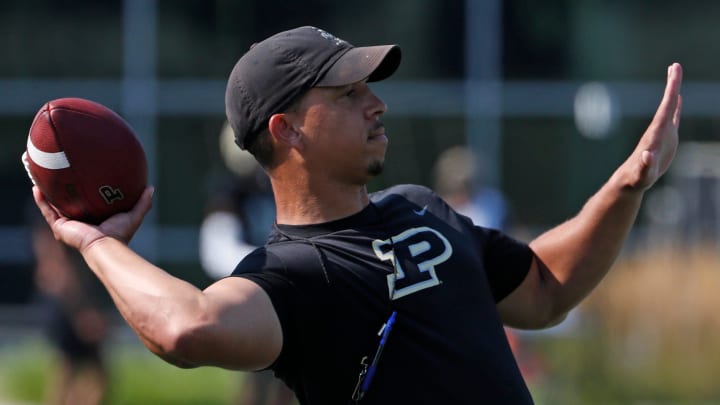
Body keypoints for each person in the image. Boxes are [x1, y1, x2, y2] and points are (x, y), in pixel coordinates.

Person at [28, 26, 683, 404]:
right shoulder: (289, 276)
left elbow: (544, 288)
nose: (377, 104)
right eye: (348, 93)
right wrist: (92, 242)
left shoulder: (423, 209)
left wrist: (628, 183)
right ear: (286, 130)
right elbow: (185, 327)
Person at [199, 121, 295, 405]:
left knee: (287, 380)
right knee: (257, 377)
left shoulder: (280, 187)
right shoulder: (230, 193)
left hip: (284, 292)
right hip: (254, 290)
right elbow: (217, 250)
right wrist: (274, 265)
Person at [28, 203, 109, 405]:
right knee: (91, 374)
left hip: (56, 296)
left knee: (70, 371)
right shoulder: (58, 213)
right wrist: (81, 308)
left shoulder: (45, 207)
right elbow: (58, 262)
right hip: (66, 299)